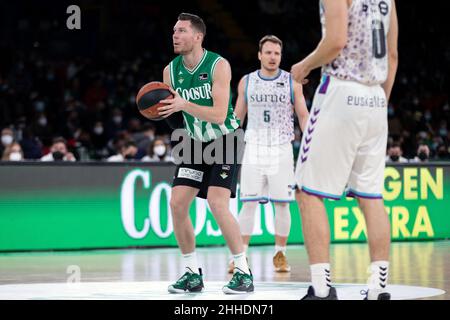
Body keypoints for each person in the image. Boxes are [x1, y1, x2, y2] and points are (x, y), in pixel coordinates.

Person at [291, 0, 398, 300]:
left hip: (341, 89)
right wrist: (379, 101)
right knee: (371, 196)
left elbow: (336, 40)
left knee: (306, 191)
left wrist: (305, 65)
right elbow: (392, 55)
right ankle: (378, 289)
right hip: (376, 98)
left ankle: (322, 288)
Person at [157, 13, 253, 294]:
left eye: (182, 31)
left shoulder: (218, 65)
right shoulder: (169, 72)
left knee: (217, 202)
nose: (175, 35)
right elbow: (174, 114)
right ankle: (191, 272)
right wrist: (162, 111)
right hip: (195, 142)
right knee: (177, 203)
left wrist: (183, 105)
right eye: (174, 30)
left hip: (225, 138)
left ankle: (244, 272)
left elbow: (220, 113)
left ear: (197, 36)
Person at [231, 35, 309, 273]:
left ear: (280, 56)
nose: (272, 57)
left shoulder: (291, 81)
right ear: (259, 55)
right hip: (254, 147)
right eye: (268, 52)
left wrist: (310, 142)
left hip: (281, 148)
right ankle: (239, 257)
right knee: (249, 204)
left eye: (276, 53)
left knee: (283, 205)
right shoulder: (247, 81)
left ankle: (280, 254)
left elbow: (303, 114)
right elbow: (237, 118)